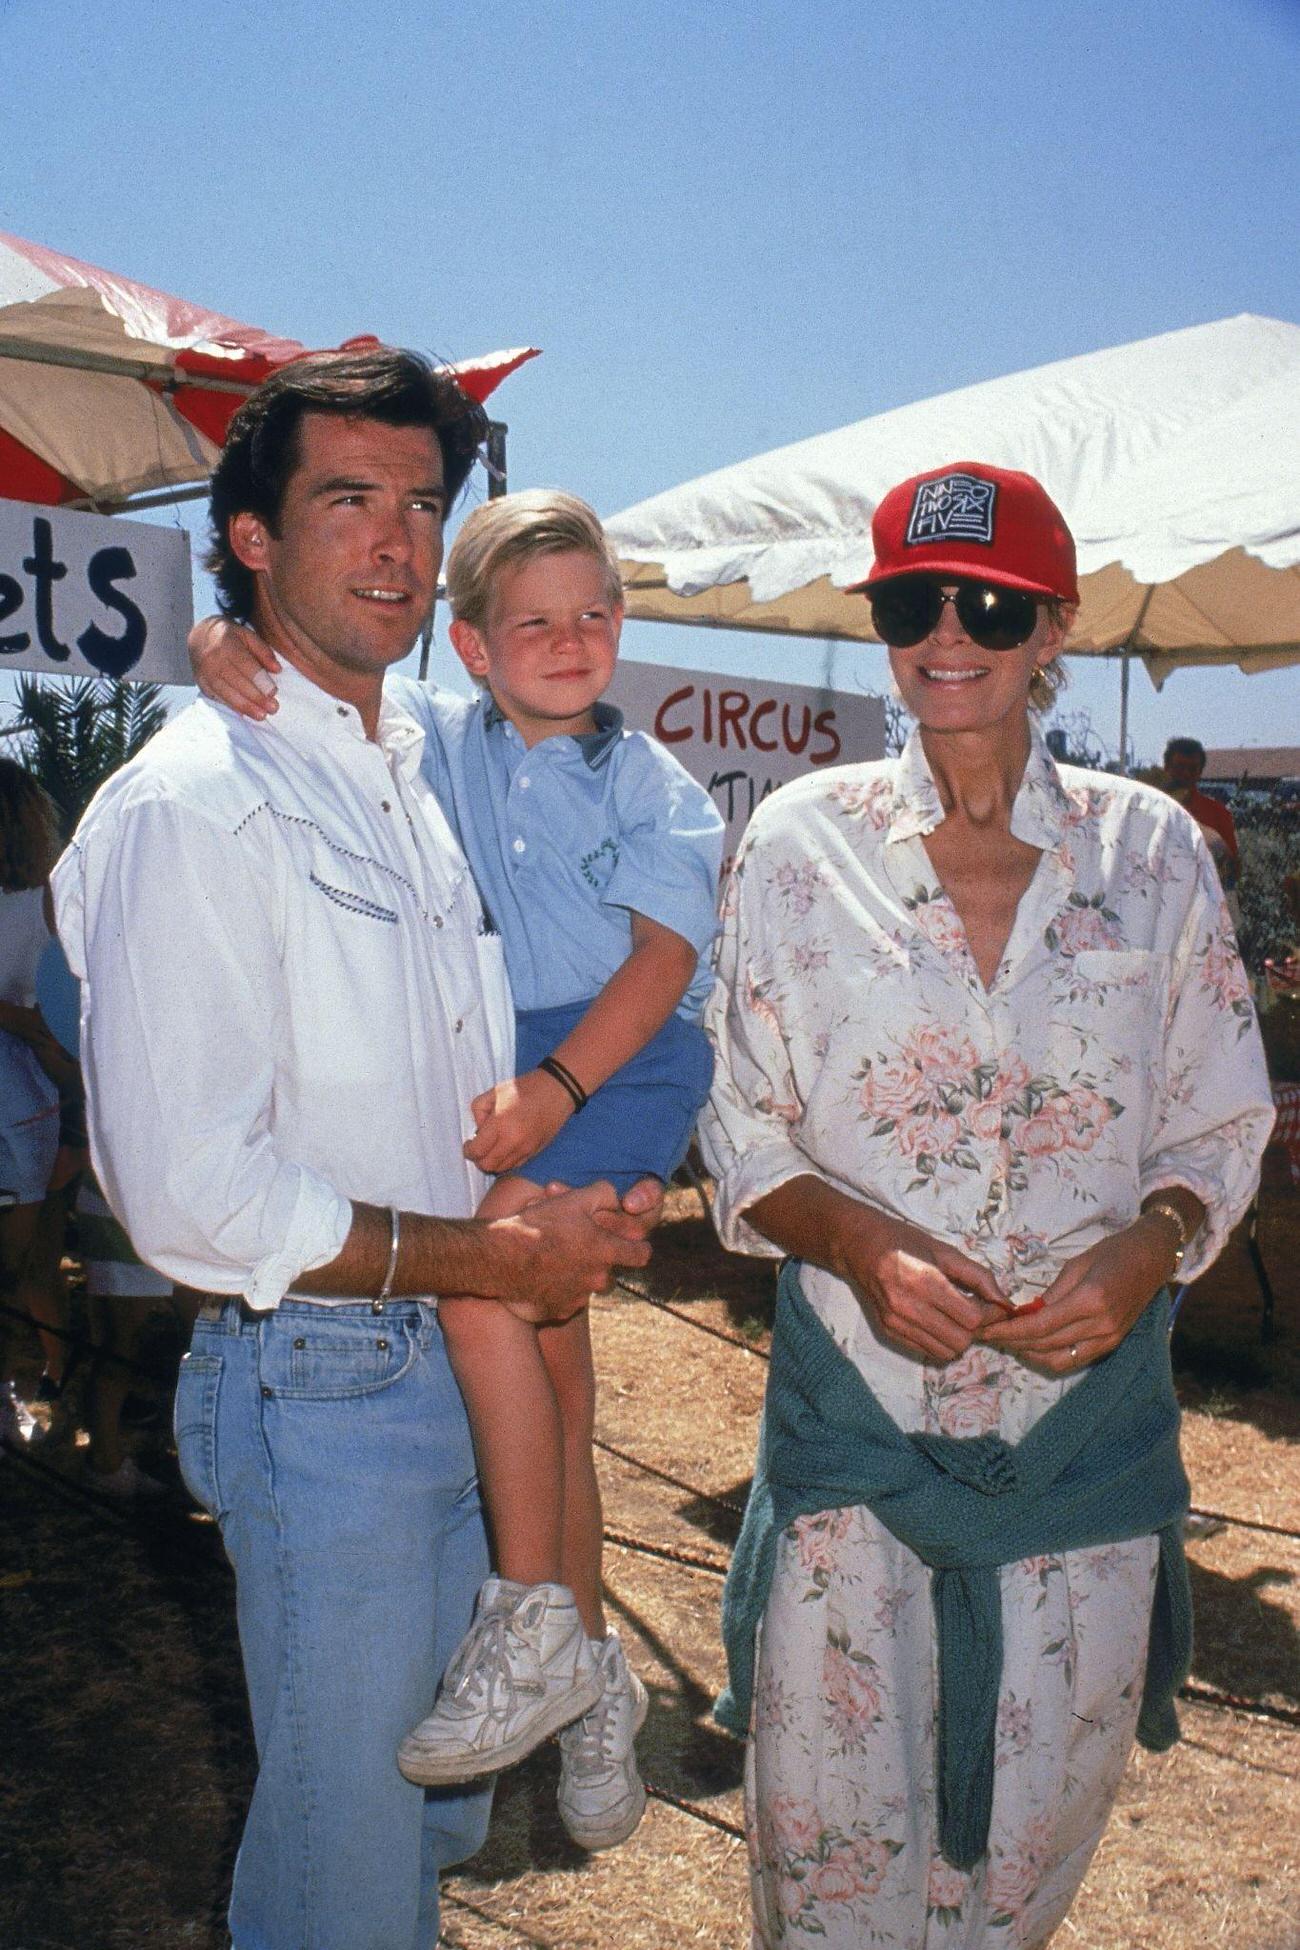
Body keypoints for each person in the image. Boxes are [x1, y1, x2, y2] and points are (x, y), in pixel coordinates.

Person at [52, 347, 660, 1950]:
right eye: (346, 501)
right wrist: (492, 1257)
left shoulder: (415, 766)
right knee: (348, 1870)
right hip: (323, 1381)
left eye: (421, 503)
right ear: (251, 537)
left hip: (458, 1356)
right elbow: (190, 1195)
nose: (396, 539)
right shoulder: (197, 801)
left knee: (424, 1828)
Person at [700, 460, 1275, 1948]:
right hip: (857, 1449)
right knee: (831, 1882)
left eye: (991, 605)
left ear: (1053, 627)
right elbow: (741, 1125)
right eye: (911, 603)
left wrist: (1152, 1246)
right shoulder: (797, 846)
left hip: (1083, 1458)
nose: (947, 635)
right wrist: (857, 1241)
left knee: (1018, 1882)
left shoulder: (1153, 854)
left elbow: (1220, 1114)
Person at [189, 488, 724, 1848]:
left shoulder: (650, 782)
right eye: (532, 623)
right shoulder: (434, 736)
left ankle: (531, 1616)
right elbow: (313, 680)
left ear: (623, 624)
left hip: (615, 1057)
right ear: (472, 646)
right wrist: (217, 641)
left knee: (489, 1283)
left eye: (594, 614)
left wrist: (559, 1089)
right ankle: (592, 1670)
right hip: (503, 1055)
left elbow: (664, 960)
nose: (570, 640)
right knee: (555, 1373)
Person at [0, 758, 74, 1446]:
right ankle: (59, 1390)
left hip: (25, 1101)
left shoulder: (43, 900)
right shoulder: (47, 900)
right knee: (33, 1265)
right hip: (35, 1102)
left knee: (22, 1267)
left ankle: (46, 1391)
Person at [1162, 737, 1240, 921]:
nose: (1185, 774)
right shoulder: (1148, 807)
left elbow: (1232, 869)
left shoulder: (1218, 813)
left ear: (1200, 773)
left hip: (1203, 908)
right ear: (1166, 767)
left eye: (1192, 769)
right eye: (1180, 767)